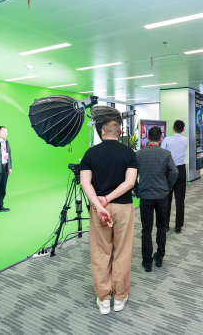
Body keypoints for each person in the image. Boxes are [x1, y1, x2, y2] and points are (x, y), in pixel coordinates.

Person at [80, 119, 138, 315]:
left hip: (99, 209)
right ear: (120, 133)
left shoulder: (90, 153)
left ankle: (104, 299)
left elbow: (85, 183)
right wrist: (109, 198)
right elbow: (130, 183)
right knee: (122, 251)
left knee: (100, 252)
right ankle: (120, 297)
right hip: (123, 207)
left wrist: (99, 204)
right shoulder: (129, 153)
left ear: (102, 133)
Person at [133, 126, 178, 272]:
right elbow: (175, 172)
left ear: (147, 137)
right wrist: (167, 188)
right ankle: (159, 257)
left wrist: (137, 190)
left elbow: (132, 176)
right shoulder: (166, 154)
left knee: (146, 229)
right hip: (162, 196)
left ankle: (147, 262)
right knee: (161, 226)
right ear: (160, 138)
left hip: (145, 195)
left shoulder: (139, 154)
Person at [162, 120, 189, 233]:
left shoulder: (167, 140)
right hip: (181, 170)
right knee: (180, 199)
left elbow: (162, 154)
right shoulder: (186, 139)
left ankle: (166, 224)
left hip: (169, 170)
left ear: (173, 128)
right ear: (183, 129)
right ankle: (178, 226)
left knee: (167, 198)